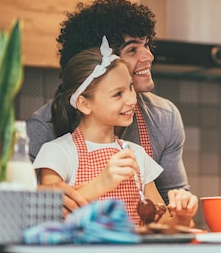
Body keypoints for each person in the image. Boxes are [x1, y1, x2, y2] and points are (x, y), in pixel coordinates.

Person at [27, 0, 189, 212]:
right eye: (132, 49)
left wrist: (182, 209)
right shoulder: (44, 129)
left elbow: (167, 208)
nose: (149, 56)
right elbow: (32, 210)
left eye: (147, 45)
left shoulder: (164, 118)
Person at [33, 37, 198, 227]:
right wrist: (103, 182)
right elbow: (50, 214)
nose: (131, 100)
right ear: (84, 104)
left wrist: (183, 216)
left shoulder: (136, 154)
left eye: (130, 88)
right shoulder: (59, 152)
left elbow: (159, 223)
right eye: (118, 94)